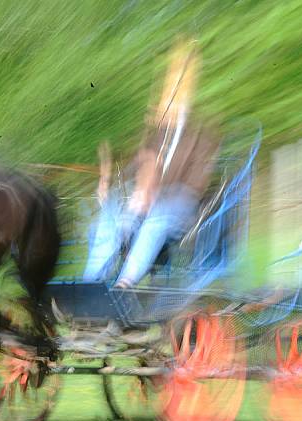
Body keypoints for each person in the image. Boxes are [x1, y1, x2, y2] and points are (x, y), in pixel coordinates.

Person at [83, 38, 219, 288]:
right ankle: (91, 284)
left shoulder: (203, 135)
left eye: (175, 98)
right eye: (167, 98)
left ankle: (125, 283)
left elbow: (197, 184)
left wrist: (155, 193)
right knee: (109, 212)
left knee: (156, 219)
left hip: (178, 205)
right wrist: (113, 185)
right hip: (143, 203)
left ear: (186, 102)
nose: (168, 104)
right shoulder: (153, 133)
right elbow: (132, 170)